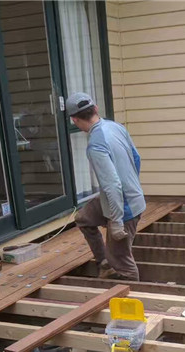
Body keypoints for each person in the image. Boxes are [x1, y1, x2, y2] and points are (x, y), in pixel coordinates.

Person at [66, 92, 146, 281]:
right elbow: (136, 158)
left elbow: (112, 185)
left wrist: (116, 221)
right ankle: (104, 263)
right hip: (123, 198)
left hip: (124, 208)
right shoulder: (116, 127)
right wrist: (132, 187)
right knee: (84, 218)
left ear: (74, 120)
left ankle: (133, 291)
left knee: (123, 263)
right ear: (95, 109)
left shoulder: (96, 145)